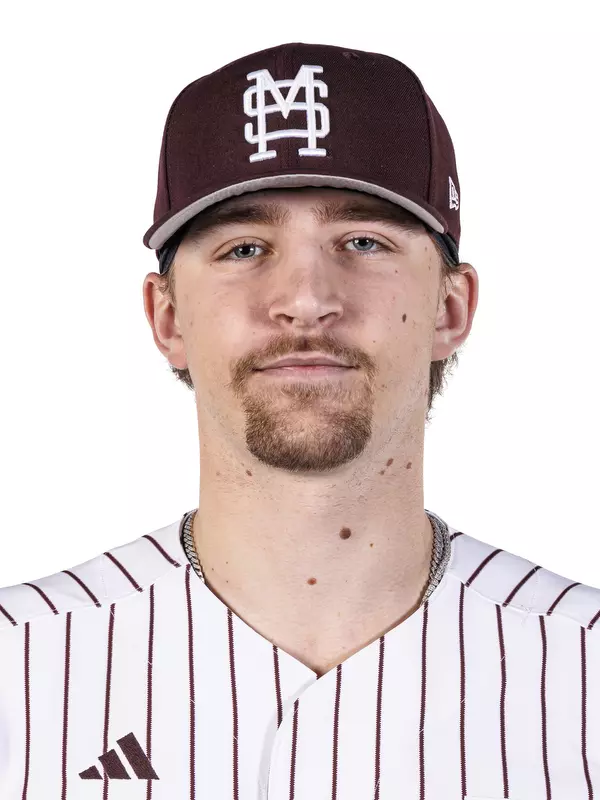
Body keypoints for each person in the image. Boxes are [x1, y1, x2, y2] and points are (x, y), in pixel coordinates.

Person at [0, 42, 598, 800]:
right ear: (167, 316)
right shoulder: (18, 668)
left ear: (451, 309)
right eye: (245, 247)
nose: (307, 299)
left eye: (363, 242)